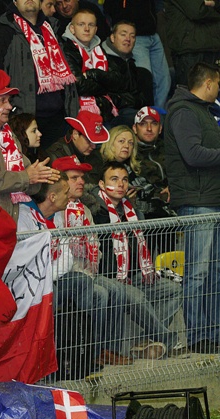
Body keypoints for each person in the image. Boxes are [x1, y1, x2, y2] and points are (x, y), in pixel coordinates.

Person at [17, 174, 132, 366]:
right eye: (64, 192)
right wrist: (50, 276)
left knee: (103, 287)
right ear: (52, 197)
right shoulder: (25, 217)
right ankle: (77, 352)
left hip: (59, 276)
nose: (68, 195)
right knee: (91, 289)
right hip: (31, 284)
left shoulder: (57, 216)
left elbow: (66, 255)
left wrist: (52, 274)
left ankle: (90, 351)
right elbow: (28, 261)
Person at [88, 161, 185, 358]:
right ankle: (167, 339)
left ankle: (143, 341)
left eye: (124, 179)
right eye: (114, 179)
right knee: (136, 296)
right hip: (107, 278)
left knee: (174, 289)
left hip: (134, 275)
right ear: (101, 184)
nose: (121, 184)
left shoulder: (132, 211)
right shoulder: (95, 212)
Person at [163, 62, 220, 354]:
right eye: (218, 84)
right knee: (198, 273)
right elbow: (193, 154)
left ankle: (213, 332)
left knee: (214, 272)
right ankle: (198, 336)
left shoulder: (203, 112)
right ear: (208, 83)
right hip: (197, 203)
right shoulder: (184, 111)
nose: (219, 89)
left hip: (211, 201)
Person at [0, 0, 79, 149]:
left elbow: (70, 71)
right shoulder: (3, 32)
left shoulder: (53, 28)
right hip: (23, 119)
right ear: (14, 1)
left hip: (58, 118)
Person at [0, 84, 59, 223]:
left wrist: (39, 176)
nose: (9, 106)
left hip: (8, 219)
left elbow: (29, 181)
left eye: (9, 101)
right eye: (2, 101)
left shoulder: (9, 136)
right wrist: (26, 177)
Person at [104, 0, 171, 110]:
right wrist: (126, 29)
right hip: (135, 36)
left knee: (164, 81)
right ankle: (144, 117)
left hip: (153, 34)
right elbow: (109, 8)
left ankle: (157, 116)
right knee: (144, 81)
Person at [61, 9, 123, 125]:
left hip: (104, 110)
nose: (87, 29)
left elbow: (117, 80)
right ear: (72, 29)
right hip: (76, 113)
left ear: (96, 29)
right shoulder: (66, 49)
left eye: (91, 25)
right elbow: (79, 86)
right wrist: (106, 86)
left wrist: (92, 74)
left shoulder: (100, 49)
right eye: (81, 24)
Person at [100, 20, 154, 128]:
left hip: (130, 111)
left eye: (132, 36)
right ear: (112, 37)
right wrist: (133, 100)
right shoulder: (102, 61)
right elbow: (110, 98)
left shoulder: (130, 63)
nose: (128, 39)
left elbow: (142, 99)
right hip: (112, 115)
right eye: (123, 34)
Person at [164, 0, 220, 87]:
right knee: (190, 91)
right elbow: (198, 11)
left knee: (213, 91)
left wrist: (213, 3)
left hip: (212, 46)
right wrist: (217, 12)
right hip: (190, 50)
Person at [46, 109, 108, 185]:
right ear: (75, 134)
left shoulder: (95, 155)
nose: (94, 146)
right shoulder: (56, 154)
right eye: (89, 141)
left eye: (95, 142)